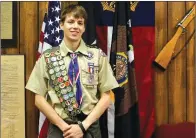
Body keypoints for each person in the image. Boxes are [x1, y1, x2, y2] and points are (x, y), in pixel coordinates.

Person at [26, 4, 119, 138]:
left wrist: (83, 126)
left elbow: (106, 97)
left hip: (89, 128)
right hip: (60, 129)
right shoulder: (47, 58)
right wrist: (65, 128)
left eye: (80, 23)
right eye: (70, 22)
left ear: (84, 28)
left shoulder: (98, 56)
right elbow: (39, 99)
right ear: (61, 25)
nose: (75, 26)